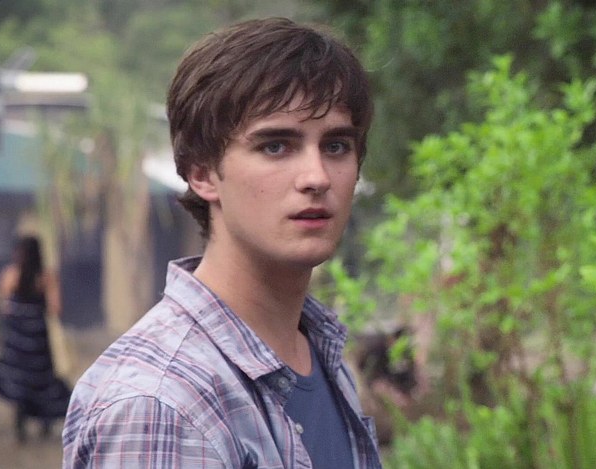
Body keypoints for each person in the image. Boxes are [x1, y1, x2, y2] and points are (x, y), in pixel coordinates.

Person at [62, 17, 382, 468]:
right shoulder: (161, 406)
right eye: (276, 146)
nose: (317, 177)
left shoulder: (318, 354)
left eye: (336, 146)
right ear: (202, 173)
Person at [0, 235, 71, 442]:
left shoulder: (10, 274)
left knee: (18, 379)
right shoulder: (47, 276)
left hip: (16, 337)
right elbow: (55, 308)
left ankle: (20, 424)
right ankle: (45, 422)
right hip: (37, 337)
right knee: (42, 379)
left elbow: (3, 304)